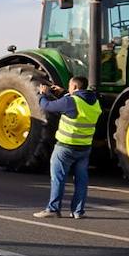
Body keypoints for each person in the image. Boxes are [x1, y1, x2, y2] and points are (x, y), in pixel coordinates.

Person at [33, 76, 100, 219]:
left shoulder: (70, 102)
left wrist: (42, 94)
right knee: (81, 181)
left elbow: (47, 106)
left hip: (65, 147)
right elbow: (77, 101)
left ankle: (53, 209)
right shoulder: (94, 102)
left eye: (70, 86)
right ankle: (78, 211)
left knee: (58, 178)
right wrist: (63, 92)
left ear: (75, 87)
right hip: (84, 148)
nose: (69, 88)